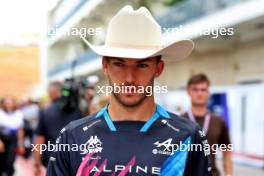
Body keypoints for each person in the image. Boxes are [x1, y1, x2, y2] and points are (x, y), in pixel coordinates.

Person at [47, 5, 212, 176]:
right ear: (105, 65)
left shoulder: (187, 136)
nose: (129, 78)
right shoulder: (73, 136)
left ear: (158, 68)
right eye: (119, 64)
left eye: (142, 65)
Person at [182, 73, 232, 176]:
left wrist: (229, 174)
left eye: (203, 89)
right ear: (188, 91)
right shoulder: (179, 121)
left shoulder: (219, 121)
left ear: (208, 92)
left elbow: (227, 152)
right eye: (195, 89)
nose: (199, 93)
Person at [33, 81, 82, 175]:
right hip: (74, 155)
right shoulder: (78, 109)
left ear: (52, 92)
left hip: (51, 156)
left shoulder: (46, 111)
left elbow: (39, 139)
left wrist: (37, 163)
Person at [0, 96, 25, 176]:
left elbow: (20, 130)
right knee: (1, 161)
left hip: (12, 139)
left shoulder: (18, 114)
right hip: (2, 138)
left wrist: (21, 144)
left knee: (10, 160)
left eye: (10, 103)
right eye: (7, 103)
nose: (9, 105)